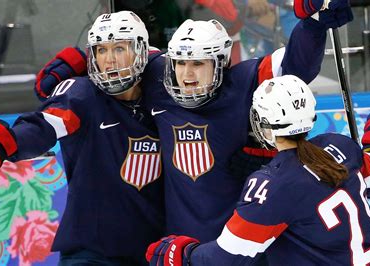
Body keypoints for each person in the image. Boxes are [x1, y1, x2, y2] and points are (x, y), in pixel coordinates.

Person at [35, 0, 352, 252]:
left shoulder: (243, 82)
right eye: (181, 62)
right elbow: (121, 50)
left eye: (198, 63)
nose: (186, 74)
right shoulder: (159, 77)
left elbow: (297, 67)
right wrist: (77, 59)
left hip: (242, 246)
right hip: (181, 250)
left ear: (221, 64)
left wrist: (313, 21)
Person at [0, 11, 164, 266]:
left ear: (140, 51)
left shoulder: (163, 92)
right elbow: (45, 124)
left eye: (119, 49)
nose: (109, 60)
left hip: (152, 250)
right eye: (101, 50)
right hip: (93, 253)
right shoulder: (82, 95)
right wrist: (8, 142)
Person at [146, 75, 370, 265]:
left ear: (262, 122)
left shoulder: (271, 185)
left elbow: (230, 257)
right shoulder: (340, 145)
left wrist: (183, 254)